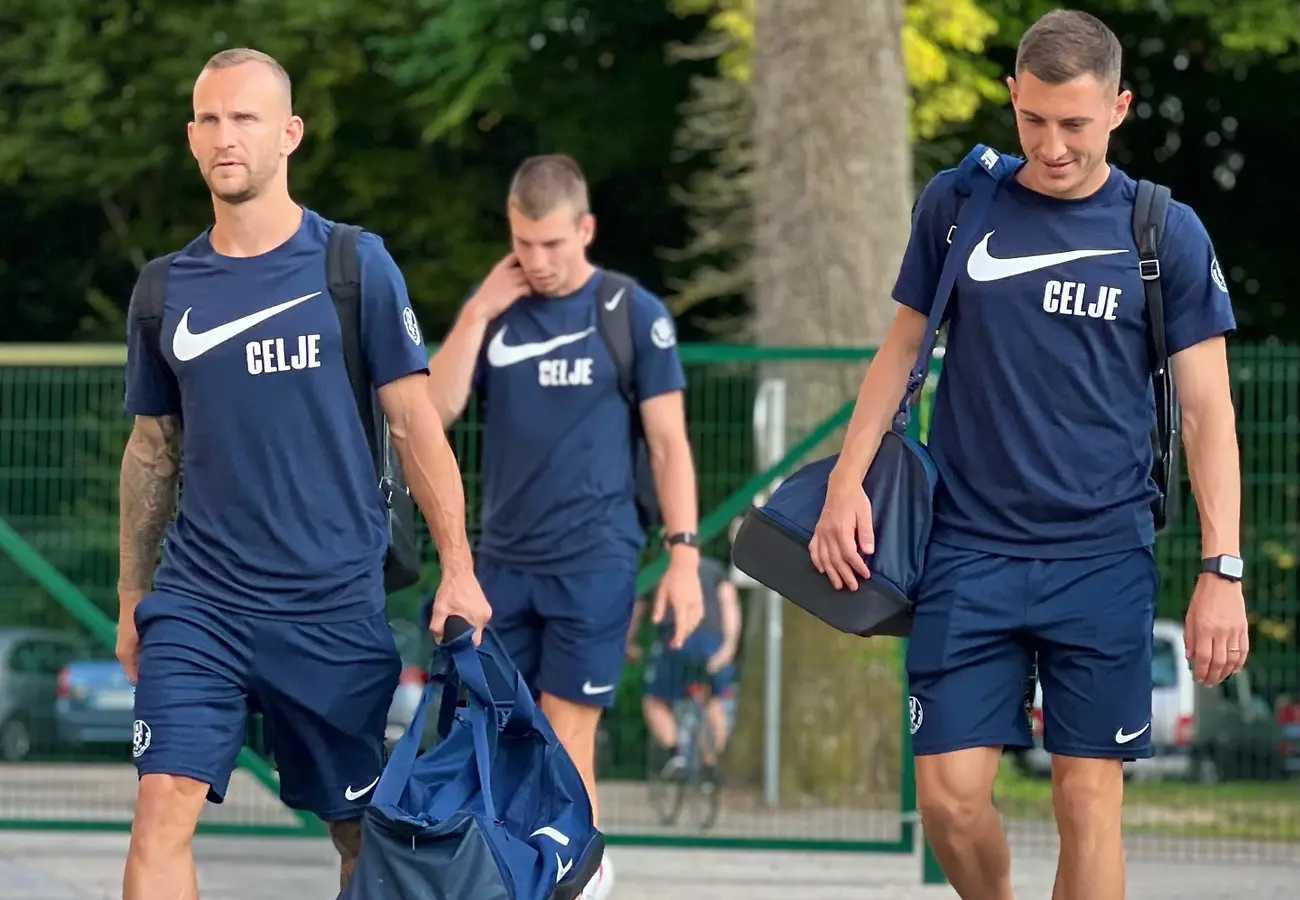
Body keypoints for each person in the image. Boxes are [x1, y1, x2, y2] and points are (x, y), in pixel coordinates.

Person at [808, 11, 1245, 900]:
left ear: (1118, 108)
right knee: (949, 801)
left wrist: (1221, 569)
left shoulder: (1166, 233)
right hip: (967, 549)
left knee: (1088, 801)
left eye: (1075, 124)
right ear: (1013, 97)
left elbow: (1207, 412)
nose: (1052, 146)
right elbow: (899, 356)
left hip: (1103, 556)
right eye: (1034, 119)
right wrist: (845, 483)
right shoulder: (960, 204)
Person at [116, 48, 491, 900]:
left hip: (330, 603)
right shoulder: (164, 290)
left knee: (362, 835)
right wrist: (132, 595)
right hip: (200, 601)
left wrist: (459, 573)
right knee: (160, 804)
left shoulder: (353, 266)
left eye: (244, 117)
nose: (224, 136)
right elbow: (152, 451)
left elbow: (416, 426)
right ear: (190, 137)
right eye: (208, 119)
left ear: (289, 134)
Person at [426, 153, 704, 899]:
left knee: (563, 728)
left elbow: (671, 444)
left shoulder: (629, 313)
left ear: (585, 228)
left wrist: (682, 557)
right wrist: (479, 310)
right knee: (495, 730)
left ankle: (566, 879)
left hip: (596, 558)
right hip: (504, 562)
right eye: (523, 244)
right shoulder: (500, 311)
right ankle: (536, 872)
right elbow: (436, 412)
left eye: (552, 243)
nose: (538, 261)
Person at [633, 553, 741, 788]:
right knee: (710, 698)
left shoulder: (660, 566)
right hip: (711, 642)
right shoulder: (714, 569)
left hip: (676, 638)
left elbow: (638, 608)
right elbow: (729, 603)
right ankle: (711, 763)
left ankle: (675, 754)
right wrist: (728, 647)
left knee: (654, 700)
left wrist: (628, 643)